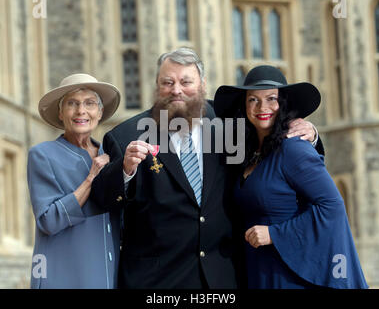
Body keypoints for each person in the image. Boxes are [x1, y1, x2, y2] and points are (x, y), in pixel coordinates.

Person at [91, 47, 318, 289]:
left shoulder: (232, 123)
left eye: (186, 81)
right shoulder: (125, 135)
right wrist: (125, 170)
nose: (176, 90)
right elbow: (103, 200)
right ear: (157, 86)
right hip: (157, 282)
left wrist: (310, 135)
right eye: (168, 82)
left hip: (225, 277)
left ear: (202, 84)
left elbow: (273, 139)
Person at [214, 65, 368, 289]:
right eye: (253, 100)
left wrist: (274, 234)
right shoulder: (244, 152)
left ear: (283, 103)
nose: (262, 107)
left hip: (291, 271)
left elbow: (332, 205)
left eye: (271, 99)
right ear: (244, 105)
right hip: (258, 267)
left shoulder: (293, 148)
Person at [27, 73, 121, 288]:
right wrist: (91, 178)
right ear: (61, 113)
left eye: (89, 103)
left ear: (100, 112)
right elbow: (48, 221)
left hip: (111, 276)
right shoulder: (42, 155)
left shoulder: (113, 155)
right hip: (63, 277)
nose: (81, 111)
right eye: (72, 104)